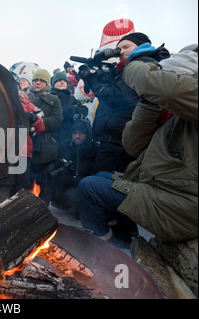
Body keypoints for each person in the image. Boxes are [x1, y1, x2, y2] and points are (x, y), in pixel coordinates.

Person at [77, 45, 198, 248]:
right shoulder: (177, 114)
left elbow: (165, 90)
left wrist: (131, 67)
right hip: (164, 188)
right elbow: (134, 145)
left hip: (185, 203)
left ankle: (98, 253)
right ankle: (112, 241)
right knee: (100, 178)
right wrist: (148, 103)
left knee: (89, 187)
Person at [79, 32, 170, 174]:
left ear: (141, 46)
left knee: (108, 187)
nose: (120, 51)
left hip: (121, 147)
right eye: (118, 48)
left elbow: (121, 98)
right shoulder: (125, 68)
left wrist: (95, 83)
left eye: (126, 46)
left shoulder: (144, 64)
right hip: (112, 143)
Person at [26, 69, 63, 205]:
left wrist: (39, 124)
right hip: (25, 147)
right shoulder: (24, 97)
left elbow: (57, 120)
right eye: (36, 80)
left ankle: (42, 214)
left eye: (42, 80)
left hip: (46, 149)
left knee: (44, 186)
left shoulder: (54, 99)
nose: (38, 83)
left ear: (47, 83)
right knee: (25, 184)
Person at [50, 119, 96, 217]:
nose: (77, 136)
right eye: (75, 133)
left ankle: (83, 209)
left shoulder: (94, 150)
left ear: (87, 134)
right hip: (70, 182)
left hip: (84, 186)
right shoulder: (67, 146)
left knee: (72, 196)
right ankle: (62, 202)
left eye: (81, 133)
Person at [50, 71, 88, 144]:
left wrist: (72, 110)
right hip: (55, 136)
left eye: (64, 81)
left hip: (71, 137)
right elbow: (58, 114)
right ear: (53, 83)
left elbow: (84, 110)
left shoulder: (71, 97)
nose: (62, 82)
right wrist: (73, 110)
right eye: (59, 80)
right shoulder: (50, 97)